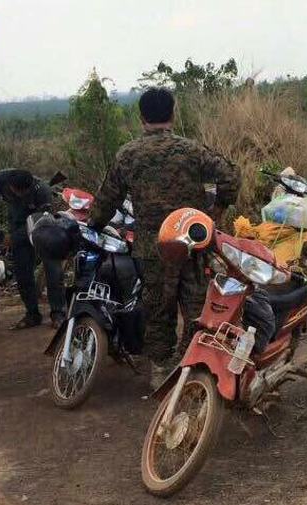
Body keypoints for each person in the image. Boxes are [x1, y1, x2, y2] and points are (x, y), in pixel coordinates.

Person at [91, 87, 240, 388]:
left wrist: (94, 224)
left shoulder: (128, 155)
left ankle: (160, 372)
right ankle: (196, 368)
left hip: (153, 248)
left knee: (158, 309)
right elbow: (231, 177)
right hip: (192, 244)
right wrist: (214, 214)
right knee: (196, 306)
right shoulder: (191, 150)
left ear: (142, 117)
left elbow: (107, 200)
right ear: (172, 114)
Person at [0, 169, 65, 329]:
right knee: (23, 273)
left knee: (53, 270)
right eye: (17, 191)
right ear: (10, 186)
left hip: (43, 230)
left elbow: (41, 221)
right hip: (18, 226)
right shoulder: (1, 180)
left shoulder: (42, 191)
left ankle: (58, 313)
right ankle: (32, 314)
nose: (20, 195)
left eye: (24, 192)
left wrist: (14, 238)